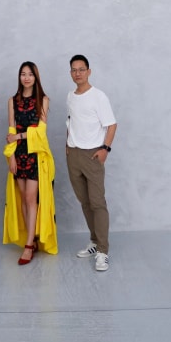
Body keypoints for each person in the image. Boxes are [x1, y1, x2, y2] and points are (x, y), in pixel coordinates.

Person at [2, 61, 57, 263]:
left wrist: (18, 138)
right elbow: (10, 129)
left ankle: (28, 246)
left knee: (32, 198)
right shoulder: (12, 101)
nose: (26, 77)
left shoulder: (43, 99)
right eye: (23, 74)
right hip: (19, 155)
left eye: (30, 74)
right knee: (23, 198)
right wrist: (11, 156)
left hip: (36, 155)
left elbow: (41, 132)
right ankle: (30, 239)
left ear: (36, 77)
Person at [66, 54, 117, 272]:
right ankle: (94, 242)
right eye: (74, 70)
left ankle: (103, 251)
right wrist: (67, 145)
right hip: (74, 155)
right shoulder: (71, 96)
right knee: (85, 202)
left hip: (93, 155)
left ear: (89, 71)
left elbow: (112, 124)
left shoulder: (98, 96)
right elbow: (71, 121)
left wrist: (105, 149)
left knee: (97, 202)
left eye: (81, 69)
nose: (77, 73)